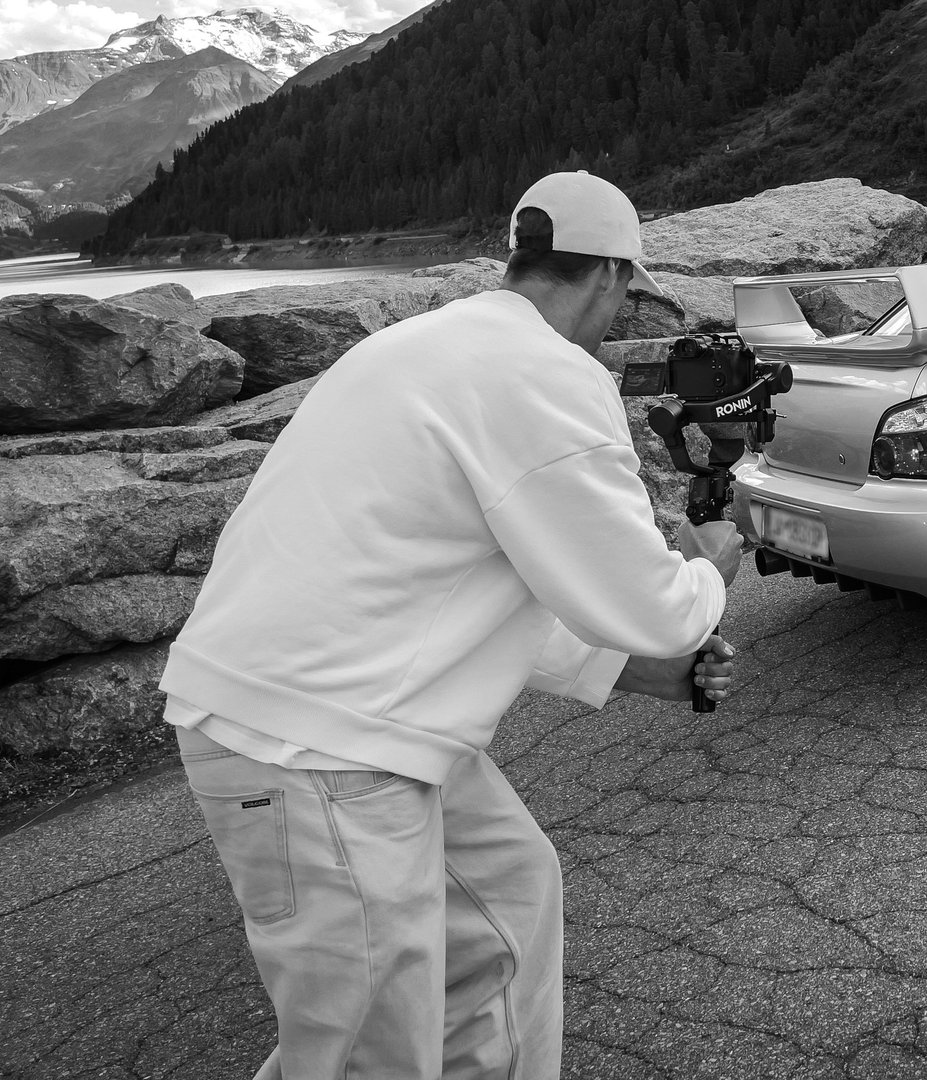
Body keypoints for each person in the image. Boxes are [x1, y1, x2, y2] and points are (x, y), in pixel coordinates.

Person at [158, 171, 742, 1079]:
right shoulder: (546, 373)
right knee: (363, 1048)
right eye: (624, 293)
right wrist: (713, 564)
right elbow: (650, 603)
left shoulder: (427, 345)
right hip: (310, 743)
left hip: (339, 714)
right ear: (611, 276)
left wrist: (624, 671)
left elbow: (460, 582)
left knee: (506, 902)